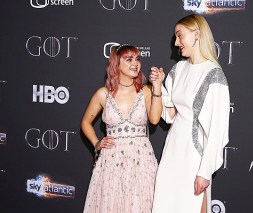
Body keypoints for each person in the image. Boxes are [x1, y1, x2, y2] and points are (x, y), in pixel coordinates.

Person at [151, 14, 230, 213]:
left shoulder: (213, 74)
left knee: (191, 207)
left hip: (194, 154)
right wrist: (158, 86)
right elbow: (169, 115)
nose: (176, 42)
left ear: (196, 35)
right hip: (172, 150)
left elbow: (217, 130)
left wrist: (205, 172)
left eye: (180, 36)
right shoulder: (178, 69)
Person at [81, 44, 164, 213]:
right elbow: (85, 123)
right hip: (112, 160)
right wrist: (96, 143)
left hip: (142, 160)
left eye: (138, 59)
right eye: (129, 59)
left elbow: (155, 120)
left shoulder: (146, 91)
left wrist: (157, 87)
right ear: (116, 64)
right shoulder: (103, 94)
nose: (135, 63)